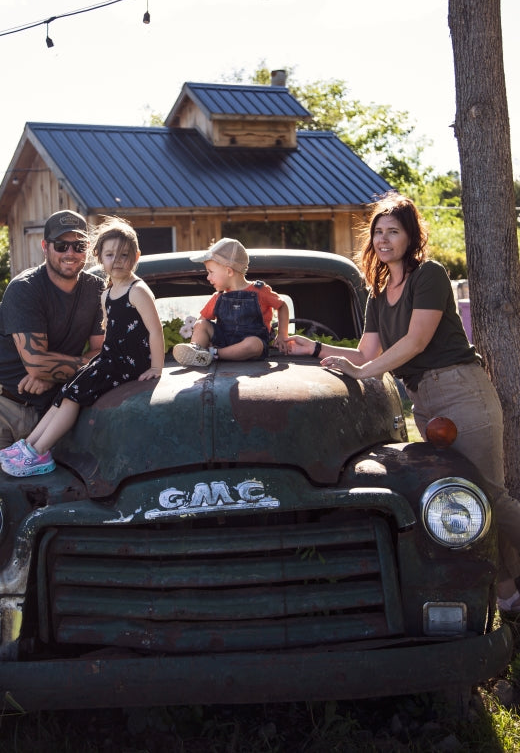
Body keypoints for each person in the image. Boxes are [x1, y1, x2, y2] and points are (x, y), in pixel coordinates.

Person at [288, 191, 520, 612]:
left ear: (411, 237)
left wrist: (363, 373)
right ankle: (508, 596)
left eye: (393, 232)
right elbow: (365, 355)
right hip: (424, 401)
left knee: (489, 494)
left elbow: (414, 342)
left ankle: (506, 589)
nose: (383, 240)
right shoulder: (378, 292)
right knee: (460, 494)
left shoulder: (428, 275)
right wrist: (313, 349)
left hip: (460, 388)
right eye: (378, 232)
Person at [0, 217, 165, 477]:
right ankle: (27, 446)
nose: (117, 260)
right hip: (110, 359)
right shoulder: (106, 293)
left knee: (74, 397)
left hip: (128, 363)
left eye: (124, 254)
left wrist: (156, 367)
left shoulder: (138, 290)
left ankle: (40, 452)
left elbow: (155, 330)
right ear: (98, 257)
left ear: (136, 256)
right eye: (109, 254)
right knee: (66, 391)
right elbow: (110, 334)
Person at [0, 210, 105, 484]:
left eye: (79, 245)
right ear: (45, 246)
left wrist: (49, 378)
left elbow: (102, 352)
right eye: (61, 245)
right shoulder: (25, 288)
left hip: (46, 406)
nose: (70, 252)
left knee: (38, 491)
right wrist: (67, 368)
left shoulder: (97, 289)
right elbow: (36, 363)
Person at [173, 237, 289, 368]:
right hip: (223, 340)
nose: (208, 277)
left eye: (211, 272)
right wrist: (202, 337)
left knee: (254, 344)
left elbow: (282, 305)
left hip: (250, 346)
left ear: (229, 271)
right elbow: (202, 321)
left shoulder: (260, 291)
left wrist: (282, 335)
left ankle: (213, 354)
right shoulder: (219, 297)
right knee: (201, 324)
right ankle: (196, 351)